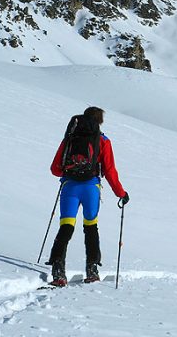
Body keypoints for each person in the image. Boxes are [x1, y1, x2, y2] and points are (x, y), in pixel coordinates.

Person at [46, 107, 129, 286]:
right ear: (99, 121)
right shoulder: (103, 141)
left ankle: (58, 270)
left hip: (70, 187)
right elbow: (109, 171)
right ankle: (92, 269)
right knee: (91, 227)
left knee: (66, 227)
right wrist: (121, 193)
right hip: (91, 188)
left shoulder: (70, 138)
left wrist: (69, 173)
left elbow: (55, 169)